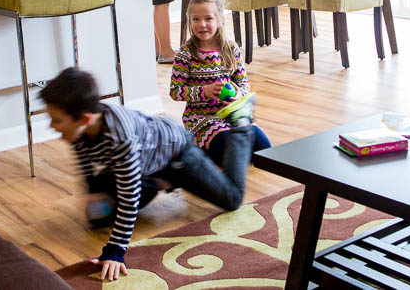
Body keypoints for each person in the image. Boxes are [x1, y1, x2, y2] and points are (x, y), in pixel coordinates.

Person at [40, 67, 255, 282]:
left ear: (85, 119)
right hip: (143, 162)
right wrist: (93, 193)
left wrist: (115, 250)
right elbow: (85, 162)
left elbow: (129, 197)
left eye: (57, 120)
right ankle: (156, 183)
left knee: (232, 198)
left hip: (177, 157)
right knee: (97, 218)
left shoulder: (119, 137)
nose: (52, 126)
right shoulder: (81, 127)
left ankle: (241, 123)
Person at [170, 0, 272, 169]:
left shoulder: (231, 48)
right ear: (189, 21)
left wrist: (240, 93)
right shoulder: (185, 54)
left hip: (233, 114)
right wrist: (205, 92)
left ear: (220, 20)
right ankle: (197, 146)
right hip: (201, 118)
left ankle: (230, 145)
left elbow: (243, 82)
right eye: (196, 19)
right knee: (226, 150)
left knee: (265, 149)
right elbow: (175, 92)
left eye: (208, 18)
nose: (202, 24)